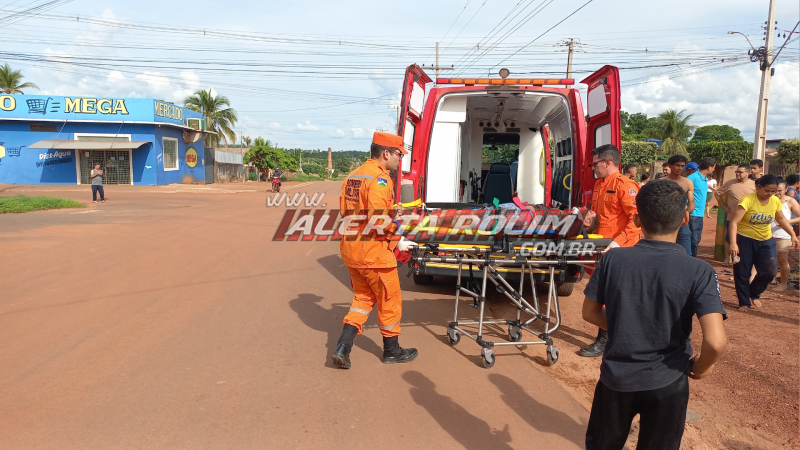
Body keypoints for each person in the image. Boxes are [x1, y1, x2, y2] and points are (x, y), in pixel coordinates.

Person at [582, 179, 728, 450]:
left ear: (636, 219)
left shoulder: (613, 260)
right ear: (685, 218)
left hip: (616, 378)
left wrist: (625, 327)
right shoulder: (700, 271)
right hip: (669, 380)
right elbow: (716, 342)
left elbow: (589, 312)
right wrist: (702, 366)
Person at [331, 132, 418, 369]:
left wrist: (391, 212)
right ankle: (392, 351)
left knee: (363, 298)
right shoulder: (380, 179)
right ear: (386, 153)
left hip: (351, 250)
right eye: (399, 154)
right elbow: (377, 217)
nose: (401, 159)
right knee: (390, 300)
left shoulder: (353, 176)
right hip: (374, 254)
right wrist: (398, 240)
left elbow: (350, 212)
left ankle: (342, 346)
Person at [579, 144, 641, 358]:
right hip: (601, 247)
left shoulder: (626, 185)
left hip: (619, 249)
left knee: (610, 294)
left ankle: (606, 339)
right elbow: (598, 214)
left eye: (595, 164)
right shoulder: (599, 184)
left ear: (607, 162)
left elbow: (637, 221)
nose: (593, 168)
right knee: (602, 291)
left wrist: (617, 243)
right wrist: (588, 219)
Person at [729, 174, 799, 310]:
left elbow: (781, 219)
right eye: (767, 190)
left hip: (766, 240)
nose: (770, 194)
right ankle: (744, 302)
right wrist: (733, 242)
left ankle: (754, 293)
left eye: (774, 191)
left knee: (770, 271)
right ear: (758, 187)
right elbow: (734, 222)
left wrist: (793, 235)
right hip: (745, 240)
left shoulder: (774, 201)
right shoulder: (747, 200)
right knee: (742, 272)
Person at [715, 164, 756, 267]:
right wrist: (724, 207)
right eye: (736, 172)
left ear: (748, 173)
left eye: (740, 172)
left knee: (746, 239)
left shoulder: (754, 184)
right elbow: (717, 193)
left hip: (748, 219)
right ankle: (726, 258)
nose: (738, 174)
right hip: (732, 217)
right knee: (729, 238)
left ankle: (743, 259)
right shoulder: (730, 183)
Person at [771, 179, 800, 292]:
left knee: (782, 260)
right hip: (766, 234)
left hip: (783, 235)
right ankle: (769, 279)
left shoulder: (790, 201)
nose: (777, 193)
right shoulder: (769, 199)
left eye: (780, 191)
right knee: (766, 259)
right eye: (775, 191)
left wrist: (787, 222)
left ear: (786, 189)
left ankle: (784, 283)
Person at [665, 155, 695, 255]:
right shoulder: (661, 182)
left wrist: (685, 214)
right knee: (664, 250)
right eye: (677, 165)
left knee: (685, 252)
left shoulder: (688, 182)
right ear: (670, 165)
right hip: (665, 221)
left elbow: (691, 203)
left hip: (681, 221)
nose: (680, 168)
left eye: (682, 166)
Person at [687, 157, 716, 257]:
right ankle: (691, 261)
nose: (714, 169)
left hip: (699, 215)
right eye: (714, 167)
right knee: (693, 241)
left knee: (696, 240)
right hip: (692, 214)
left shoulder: (705, 179)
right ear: (709, 167)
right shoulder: (692, 178)